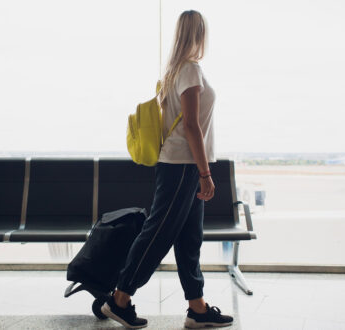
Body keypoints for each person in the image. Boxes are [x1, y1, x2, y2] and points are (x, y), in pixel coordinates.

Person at [101, 10, 233, 329]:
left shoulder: (176, 70)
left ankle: (197, 308)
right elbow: (191, 125)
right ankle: (119, 299)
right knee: (157, 235)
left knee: (190, 238)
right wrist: (205, 173)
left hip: (181, 166)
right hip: (182, 167)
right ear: (200, 34)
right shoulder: (189, 69)